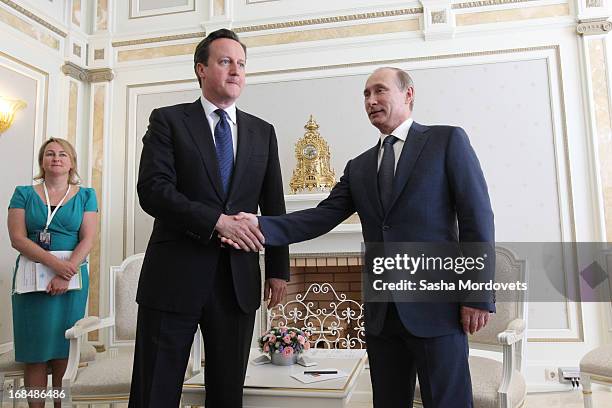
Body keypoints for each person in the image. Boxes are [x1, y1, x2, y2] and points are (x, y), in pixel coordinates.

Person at [223, 67, 495, 408]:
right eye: (366, 95)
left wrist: (479, 293)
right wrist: (262, 226)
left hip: (436, 309)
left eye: (379, 91)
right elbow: (320, 217)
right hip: (383, 315)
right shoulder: (360, 166)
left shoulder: (447, 141)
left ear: (409, 94)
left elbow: (477, 219)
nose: (371, 100)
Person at [129, 28, 289, 408]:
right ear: (201, 69)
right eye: (225, 61)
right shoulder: (168, 121)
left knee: (227, 393)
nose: (236, 70)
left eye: (241, 64)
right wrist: (217, 221)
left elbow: (274, 205)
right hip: (174, 276)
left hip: (237, 282)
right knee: (155, 391)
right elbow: (153, 191)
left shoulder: (262, 132)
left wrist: (278, 269)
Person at [7, 138, 98, 408]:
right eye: (49, 154)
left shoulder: (86, 195)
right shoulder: (23, 193)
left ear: (71, 163)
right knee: (34, 352)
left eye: (62, 154)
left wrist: (65, 273)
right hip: (31, 280)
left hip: (71, 280)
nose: (56, 158)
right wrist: (56, 266)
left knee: (63, 352)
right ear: (42, 161)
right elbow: (17, 239)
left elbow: (88, 239)